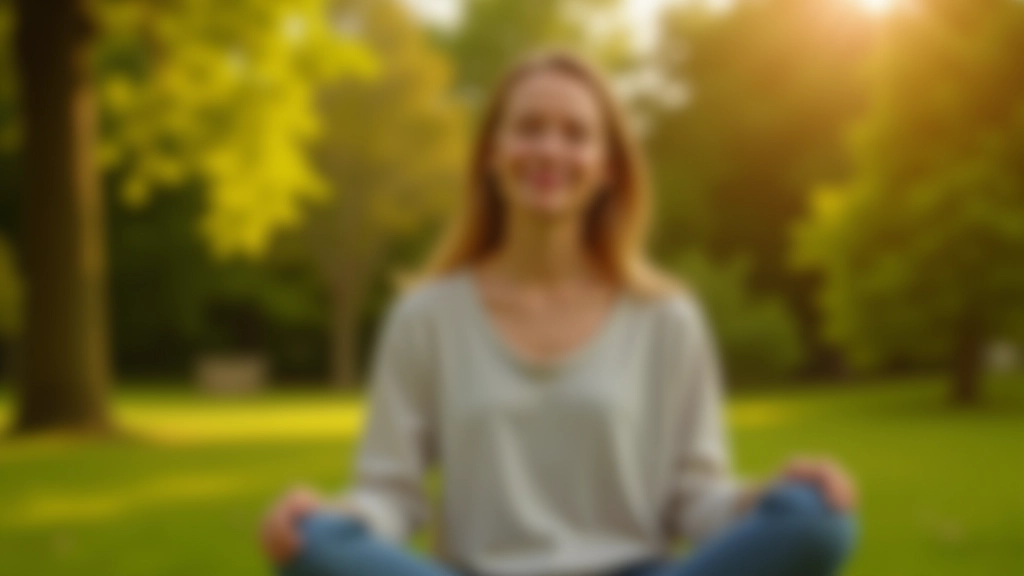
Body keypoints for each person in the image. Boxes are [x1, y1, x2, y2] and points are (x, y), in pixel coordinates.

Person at [259, 48, 857, 576]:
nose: (550, 148)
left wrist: (770, 496)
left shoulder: (666, 317)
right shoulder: (426, 316)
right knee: (314, 545)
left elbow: (697, 501)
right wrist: (332, 514)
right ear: (493, 155)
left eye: (575, 133)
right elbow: (391, 496)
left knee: (818, 522)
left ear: (607, 168)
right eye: (529, 128)